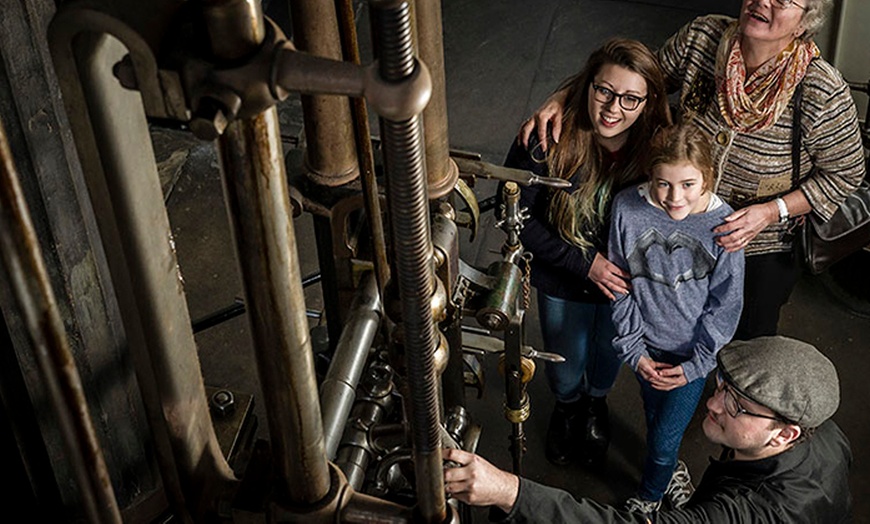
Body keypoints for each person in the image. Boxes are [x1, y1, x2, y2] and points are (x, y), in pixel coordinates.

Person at [520, 0, 866, 341]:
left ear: (805, 23)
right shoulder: (702, 37)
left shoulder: (821, 89)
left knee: (746, 343)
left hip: (758, 246)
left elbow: (846, 172)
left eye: (783, 0)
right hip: (675, 224)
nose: (763, 2)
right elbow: (633, 76)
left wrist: (772, 212)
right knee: (671, 332)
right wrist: (564, 97)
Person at [443, 336, 852, 523]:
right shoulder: (828, 435)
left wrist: (506, 490)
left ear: (786, 434)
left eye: (736, 406)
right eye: (722, 388)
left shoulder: (752, 511)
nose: (712, 404)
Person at [502, 38, 671, 467]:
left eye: (631, 98)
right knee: (564, 357)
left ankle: (596, 404)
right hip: (564, 278)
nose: (614, 109)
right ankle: (568, 406)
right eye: (604, 91)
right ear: (587, 85)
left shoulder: (659, 148)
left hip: (626, 284)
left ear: (648, 101)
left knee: (610, 352)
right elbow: (516, 218)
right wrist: (585, 262)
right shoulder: (546, 136)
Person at [607, 123, 745, 515]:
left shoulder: (724, 226)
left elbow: (726, 305)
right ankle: (668, 471)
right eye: (663, 184)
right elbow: (620, 284)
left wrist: (697, 365)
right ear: (650, 175)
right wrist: (634, 350)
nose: (674, 197)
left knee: (666, 436)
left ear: (708, 178)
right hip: (646, 347)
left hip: (690, 358)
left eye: (687, 184)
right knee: (654, 419)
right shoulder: (626, 209)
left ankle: (650, 498)